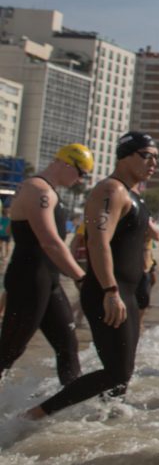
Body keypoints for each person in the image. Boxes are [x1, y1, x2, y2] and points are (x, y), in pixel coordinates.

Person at [24, 134, 156, 420]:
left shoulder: (133, 195)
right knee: (116, 371)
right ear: (125, 156)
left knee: (124, 372)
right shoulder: (111, 189)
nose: (153, 163)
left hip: (127, 292)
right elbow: (98, 242)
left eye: (156, 157)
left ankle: (101, 425)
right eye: (146, 155)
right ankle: (33, 416)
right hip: (109, 291)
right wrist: (110, 290)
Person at [0, 144, 91, 388]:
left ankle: (71, 410)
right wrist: (81, 278)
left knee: (68, 346)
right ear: (66, 164)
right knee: (9, 350)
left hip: (46, 281)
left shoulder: (45, 192)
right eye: (81, 173)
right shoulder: (38, 190)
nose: (81, 179)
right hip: (29, 281)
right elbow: (50, 243)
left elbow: (14, 228)